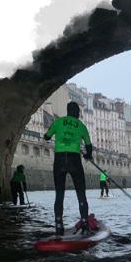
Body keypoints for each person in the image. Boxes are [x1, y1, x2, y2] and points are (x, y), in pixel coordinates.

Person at [43, 101, 95, 236]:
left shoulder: (58, 122)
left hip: (59, 159)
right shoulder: (81, 126)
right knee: (81, 192)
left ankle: (58, 225)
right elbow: (89, 145)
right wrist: (88, 155)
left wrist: (50, 136)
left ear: (67, 111)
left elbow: (47, 136)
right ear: (77, 112)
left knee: (59, 194)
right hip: (74, 159)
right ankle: (85, 223)